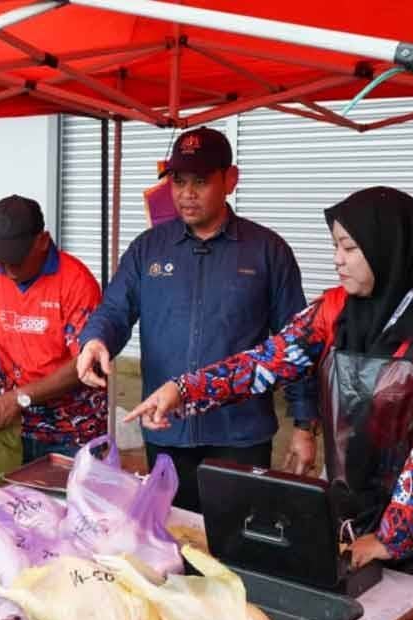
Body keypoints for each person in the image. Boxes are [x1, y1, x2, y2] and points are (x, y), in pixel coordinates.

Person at [126, 187, 413, 620]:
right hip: (357, 501)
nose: (336, 260)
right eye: (335, 245)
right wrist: (186, 390)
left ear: (389, 247)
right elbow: (268, 361)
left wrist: (388, 537)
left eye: (349, 248)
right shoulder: (336, 309)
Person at [77, 127, 319, 512]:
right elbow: (114, 310)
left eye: (201, 182)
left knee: (233, 544)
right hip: (166, 428)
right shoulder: (148, 249)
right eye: (178, 181)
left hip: (240, 433)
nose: (186, 193)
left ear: (231, 179)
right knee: (170, 540)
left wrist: (305, 426)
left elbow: (298, 345)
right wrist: (96, 339)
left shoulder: (267, 251)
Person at [0, 195, 106, 462]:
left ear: (42, 241)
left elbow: (85, 364)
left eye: (16, 258)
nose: (7, 269)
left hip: (71, 433)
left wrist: (20, 397)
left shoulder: (77, 282)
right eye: (1, 259)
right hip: (9, 426)